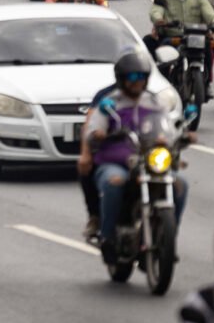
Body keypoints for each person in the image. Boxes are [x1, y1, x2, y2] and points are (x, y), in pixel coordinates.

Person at [78, 50, 188, 258]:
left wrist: (175, 136)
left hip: (147, 160)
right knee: (114, 182)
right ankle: (108, 237)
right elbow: (93, 128)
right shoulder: (109, 103)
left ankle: (168, 237)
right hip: (116, 161)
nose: (137, 82)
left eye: (142, 77)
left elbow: (167, 126)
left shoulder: (155, 102)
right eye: (132, 77)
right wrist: (98, 134)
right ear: (121, 78)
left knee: (181, 184)